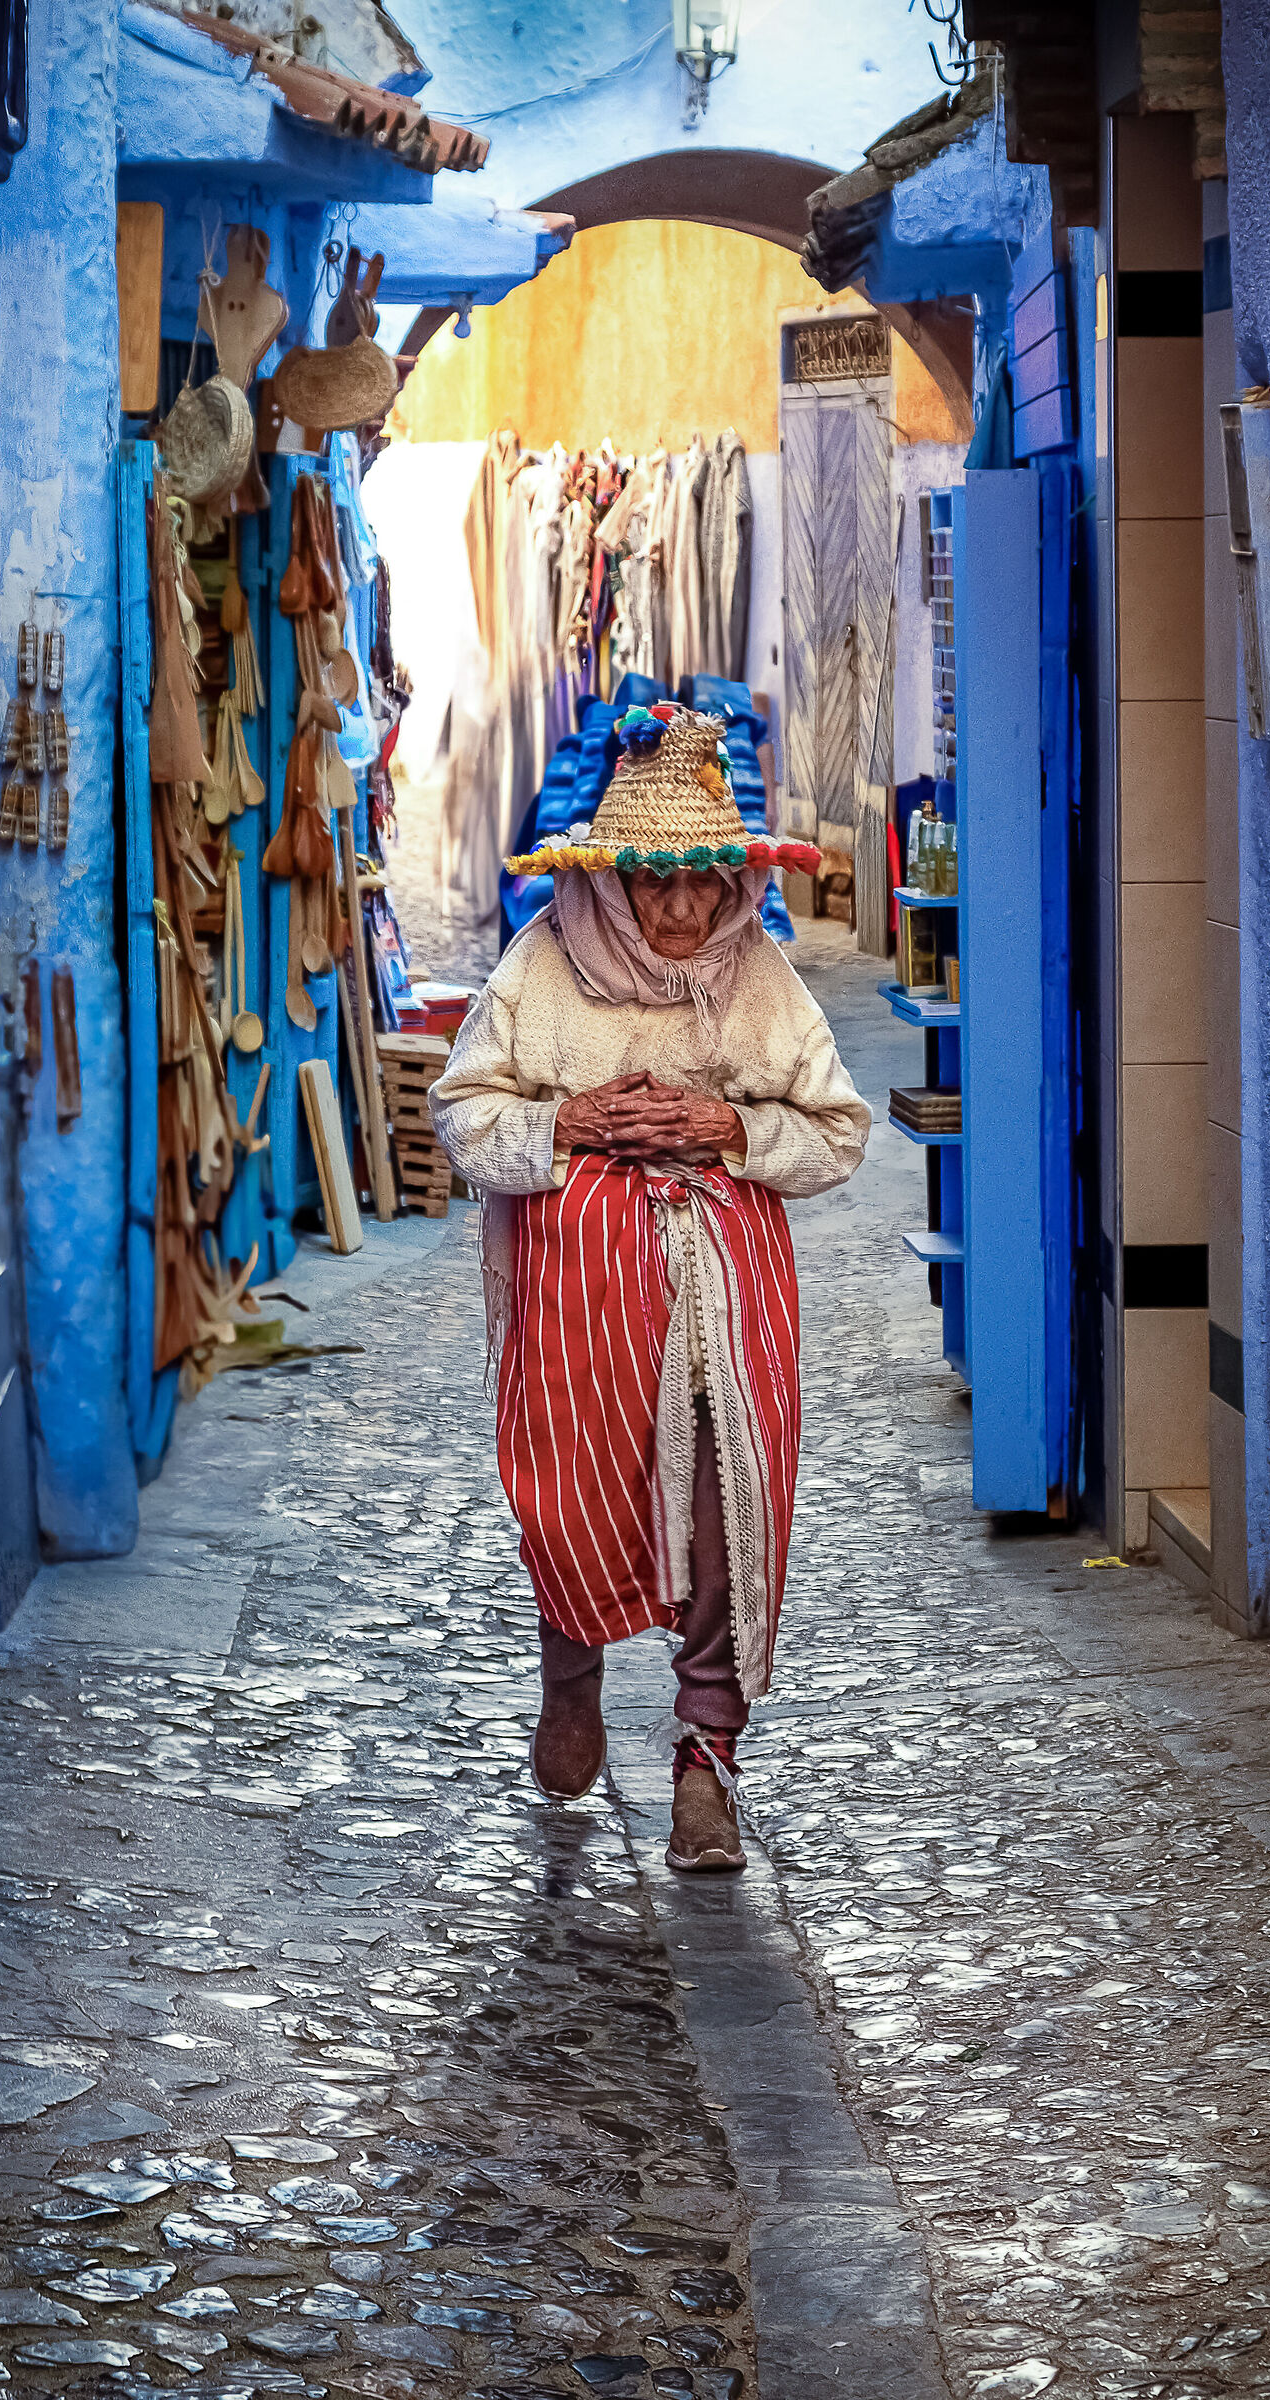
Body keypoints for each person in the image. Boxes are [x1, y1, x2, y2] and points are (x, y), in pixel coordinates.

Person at [428, 704, 870, 1871]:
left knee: (729, 1503)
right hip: (574, 1305)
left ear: (735, 881)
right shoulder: (541, 965)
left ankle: (703, 1765)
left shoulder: (759, 978)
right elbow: (464, 1113)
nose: (682, 909)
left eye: (705, 881)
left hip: (723, 1301)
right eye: (656, 881)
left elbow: (835, 1130)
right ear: (612, 877)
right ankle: (569, 1676)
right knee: (569, 1494)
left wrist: (724, 1125)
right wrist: (571, 1119)